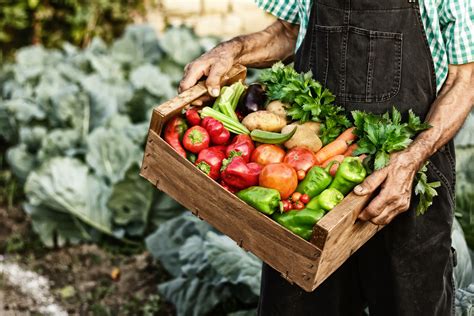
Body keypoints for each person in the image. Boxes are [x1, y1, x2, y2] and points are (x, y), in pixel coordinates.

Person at [179, 0, 474, 314]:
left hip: (404, 179)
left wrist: (412, 158)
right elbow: (288, 31)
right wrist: (232, 51)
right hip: (311, 176)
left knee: (411, 302)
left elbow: (464, 78)